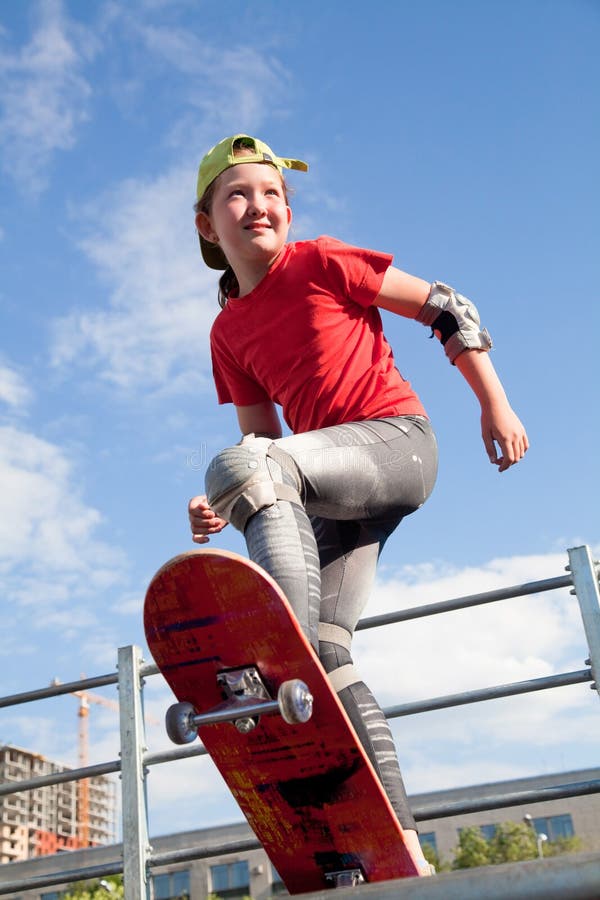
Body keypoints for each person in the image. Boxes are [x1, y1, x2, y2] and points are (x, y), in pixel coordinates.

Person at [187, 134, 528, 875]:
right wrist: (226, 500)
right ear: (208, 225)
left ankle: (280, 650)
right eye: (239, 194)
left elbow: (447, 306)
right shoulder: (228, 332)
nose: (261, 205)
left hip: (398, 445)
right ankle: (401, 848)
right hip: (333, 490)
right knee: (330, 651)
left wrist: (492, 405)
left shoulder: (321, 261)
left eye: (273, 193)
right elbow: (261, 443)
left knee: (249, 475)